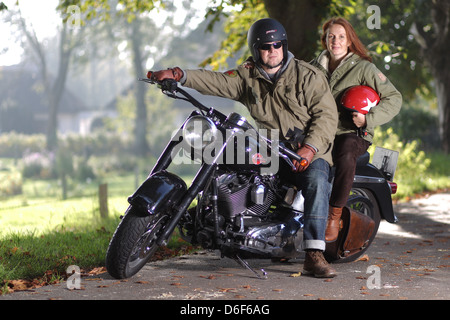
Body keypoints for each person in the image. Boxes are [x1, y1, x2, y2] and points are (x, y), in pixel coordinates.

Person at [150, 18, 338, 278]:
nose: (272, 51)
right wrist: (180, 75)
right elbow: (216, 81)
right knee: (226, 162)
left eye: (276, 45)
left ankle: (314, 254)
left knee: (317, 180)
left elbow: (327, 116)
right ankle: (221, 222)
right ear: (255, 49)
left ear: (283, 46)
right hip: (271, 146)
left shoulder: (308, 76)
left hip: (306, 150)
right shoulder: (248, 77)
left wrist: (310, 148)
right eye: (265, 46)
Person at [310, 17, 402, 241]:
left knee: (346, 150)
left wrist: (367, 119)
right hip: (320, 131)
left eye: (341, 37)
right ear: (325, 40)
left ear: (349, 41)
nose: (336, 41)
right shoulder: (313, 67)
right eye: (331, 36)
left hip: (353, 132)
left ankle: (334, 215)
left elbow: (394, 98)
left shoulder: (364, 68)